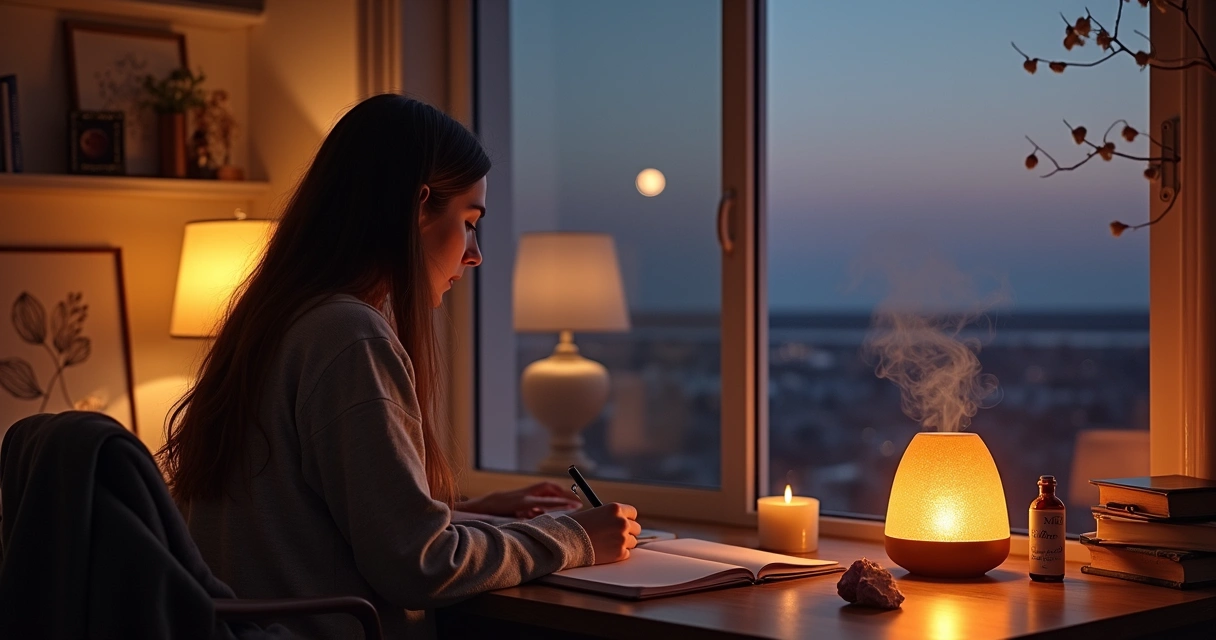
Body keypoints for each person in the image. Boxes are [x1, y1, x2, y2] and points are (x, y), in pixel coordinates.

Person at [158, 94, 640, 640]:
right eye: (469, 221)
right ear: (418, 206)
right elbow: (420, 566)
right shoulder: (348, 334)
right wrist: (573, 537)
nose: (474, 253)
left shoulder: (276, 322)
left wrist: (467, 511)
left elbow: (312, 521)